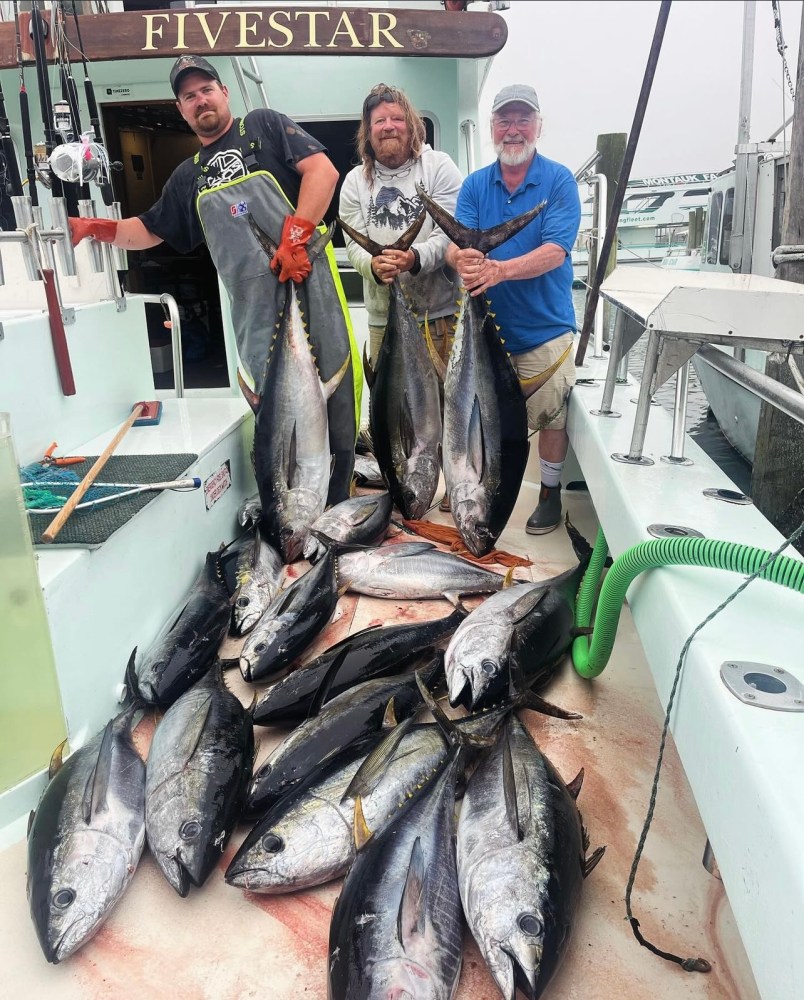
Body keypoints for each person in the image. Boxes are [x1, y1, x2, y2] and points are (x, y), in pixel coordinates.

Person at [69, 54, 362, 505]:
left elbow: (322, 172)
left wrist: (297, 237)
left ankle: (339, 507)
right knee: (276, 417)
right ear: (181, 110)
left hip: (312, 285)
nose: (200, 99)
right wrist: (97, 228)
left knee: (337, 400)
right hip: (254, 316)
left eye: (206, 89)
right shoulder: (189, 177)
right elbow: (148, 230)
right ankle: (296, 510)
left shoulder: (263, 127)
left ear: (224, 93)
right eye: (189, 96)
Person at [445, 84, 581, 535]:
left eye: (523, 120)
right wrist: (461, 257)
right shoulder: (474, 185)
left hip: (545, 329)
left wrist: (498, 270)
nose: (513, 130)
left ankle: (549, 494)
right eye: (505, 120)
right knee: (475, 417)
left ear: (538, 126)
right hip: (487, 329)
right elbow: (457, 246)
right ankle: (467, 481)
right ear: (492, 129)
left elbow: (556, 251)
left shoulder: (559, 180)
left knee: (551, 417)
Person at [339, 82, 463, 368]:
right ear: (368, 133)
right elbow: (354, 248)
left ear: (412, 126)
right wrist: (373, 266)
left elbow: (449, 233)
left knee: (445, 409)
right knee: (389, 413)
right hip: (384, 324)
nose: (388, 126)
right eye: (379, 121)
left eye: (397, 118)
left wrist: (414, 258)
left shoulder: (439, 166)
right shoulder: (354, 182)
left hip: (440, 319)